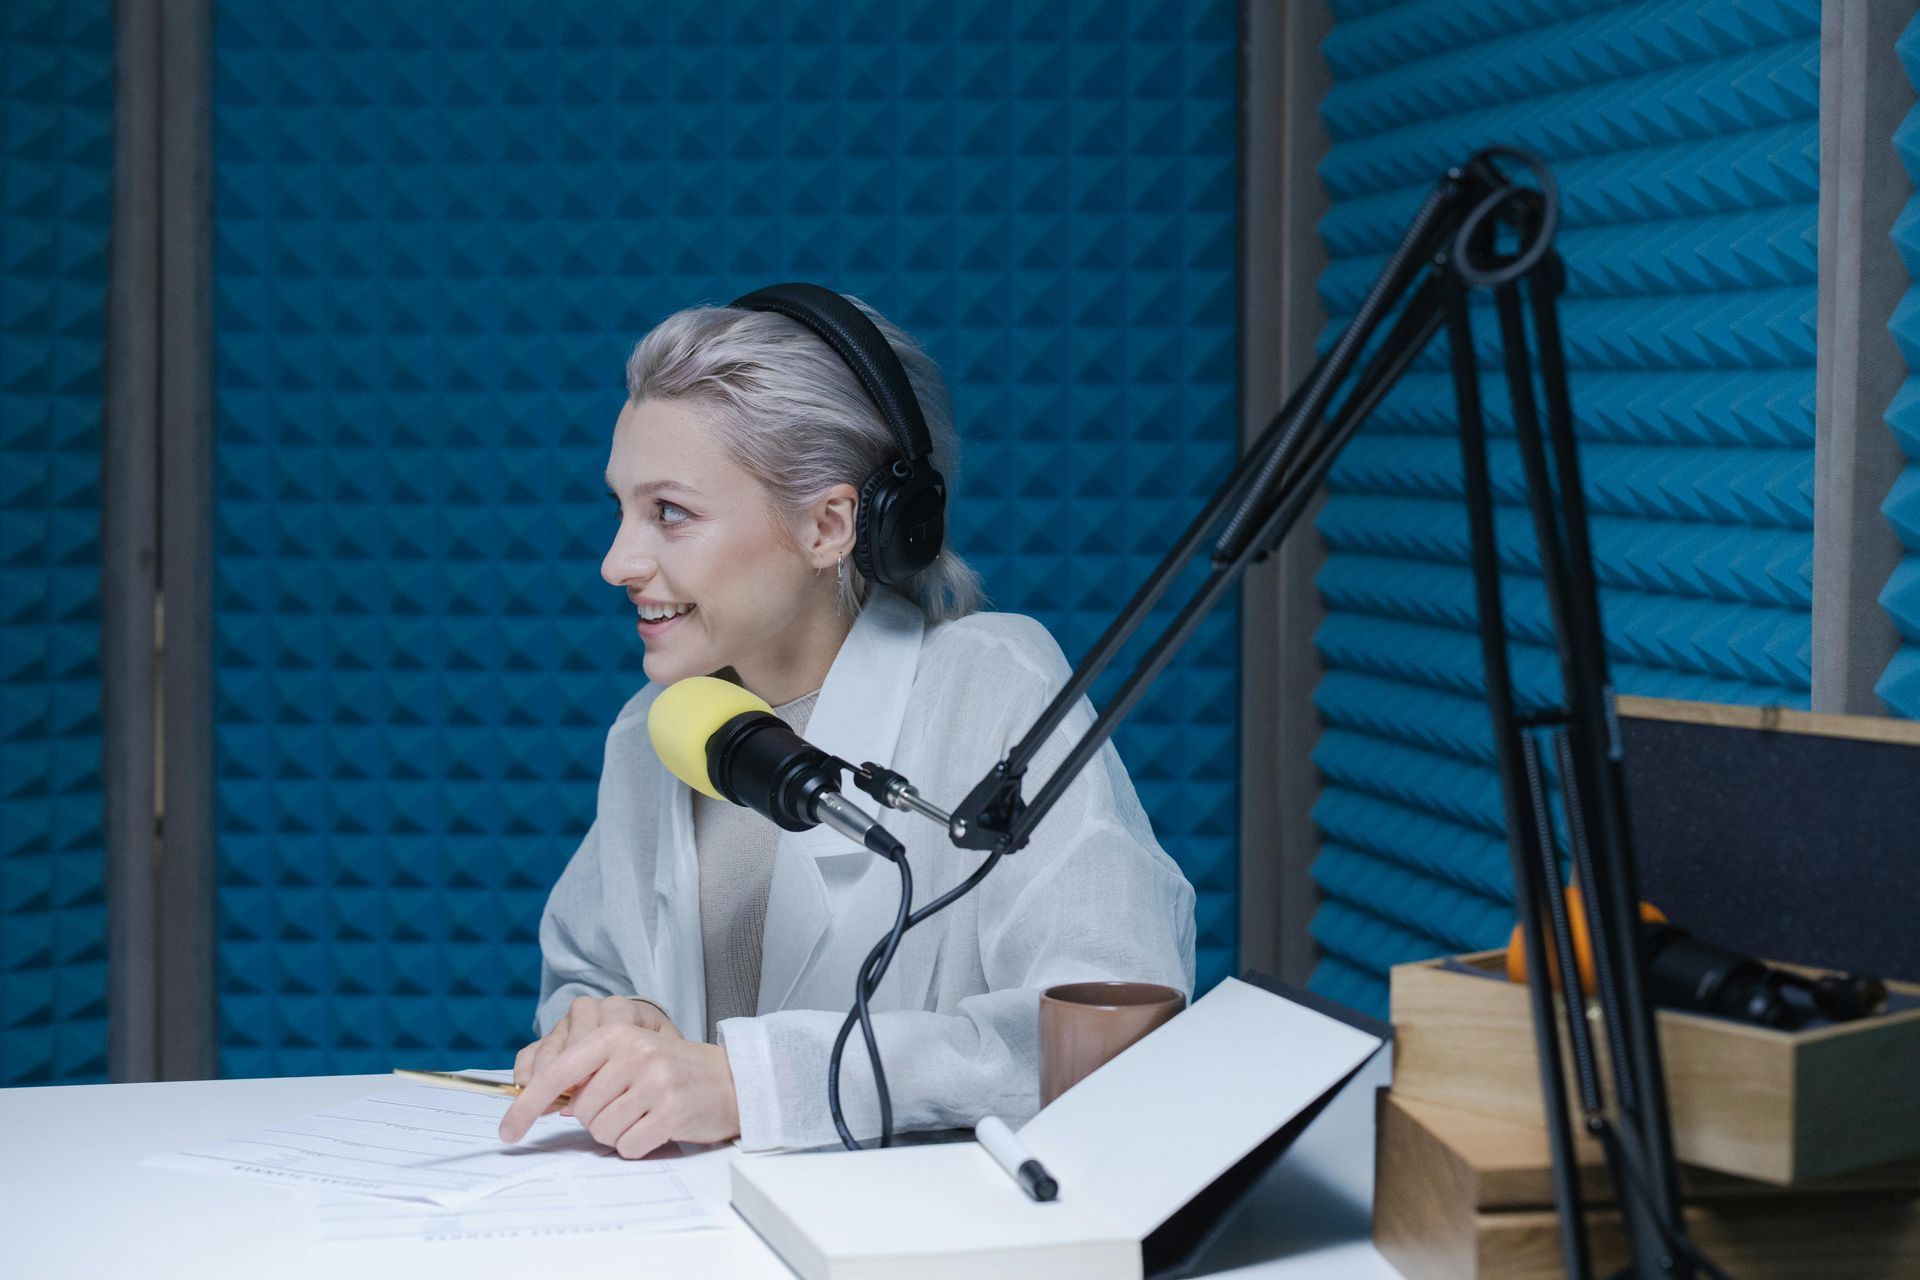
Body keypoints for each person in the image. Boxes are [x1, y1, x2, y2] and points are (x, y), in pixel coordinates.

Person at [499, 295, 1196, 1157]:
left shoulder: (993, 687)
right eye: (620, 510)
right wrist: (608, 1023)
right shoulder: (659, 728)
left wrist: (757, 1085)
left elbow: (1109, 1032)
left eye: (670, 513)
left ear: (829, 525)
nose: (617, 562)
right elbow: (586, 967)